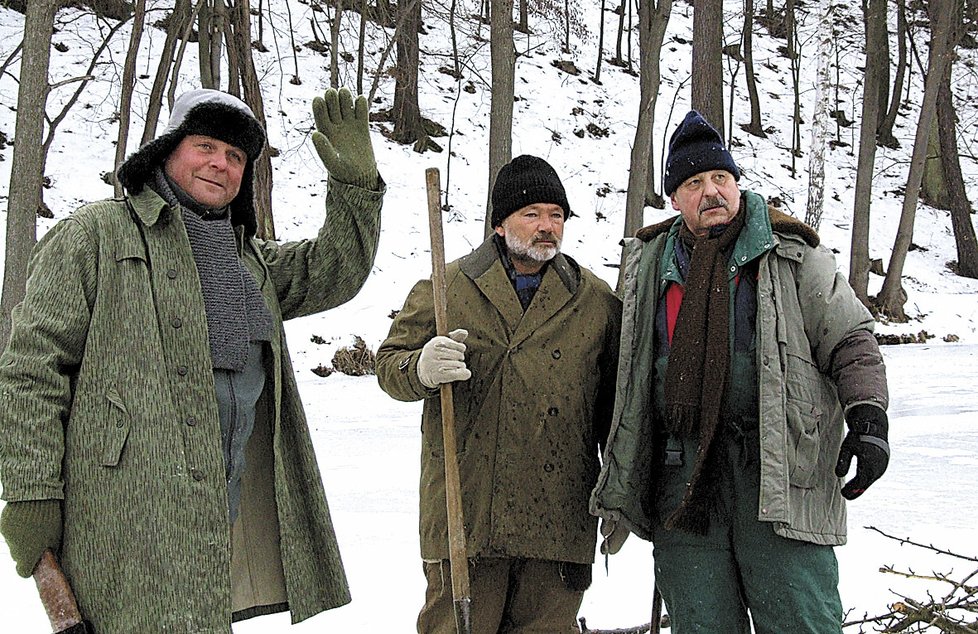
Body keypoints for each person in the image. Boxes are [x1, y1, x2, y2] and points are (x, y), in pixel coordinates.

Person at [0, 87, 384, 632]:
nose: (220, 164)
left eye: (235, 157)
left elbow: (333, 270)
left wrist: (357, 188)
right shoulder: (96, 235)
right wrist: (31, 492)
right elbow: (31, 372)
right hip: (119, 524)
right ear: (167, 150)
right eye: (206, 146)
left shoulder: (247, 260)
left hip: (215, 517)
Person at [590, 111, 890, 633]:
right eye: (693, 182)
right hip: (682, 490)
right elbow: (622, 373)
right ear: (674, 198)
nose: (711, 192)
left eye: (720, 178)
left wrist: (868, 418)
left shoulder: (790, 253)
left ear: (735, 182)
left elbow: (850, 338)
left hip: (777, 477)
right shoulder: (647, 266)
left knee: (801, 622)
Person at [375, 155, 620, 633]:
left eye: (556, 215)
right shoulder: (448, 287)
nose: (546, 226)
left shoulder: (595, 301)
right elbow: (388, 365)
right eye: (532, 214)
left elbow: (616, 411)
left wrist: (622, 492)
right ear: (500, 224)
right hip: (468, 514)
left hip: (559, 516)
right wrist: (419, 368)